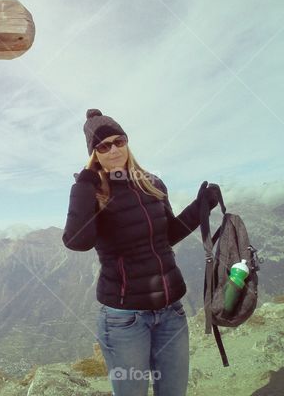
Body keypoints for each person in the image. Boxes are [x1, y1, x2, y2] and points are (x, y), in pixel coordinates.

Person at [62, 108, 221, 396]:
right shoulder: (94, 194)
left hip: (171, 311)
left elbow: (167, 235)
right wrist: (83, 185)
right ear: (94, 153)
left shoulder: (152, 184)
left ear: (127, 142)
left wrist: (201, 207)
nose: (113, 149)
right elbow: (76, 241)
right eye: (103, 145)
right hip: (125, 318)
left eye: (119, 140)